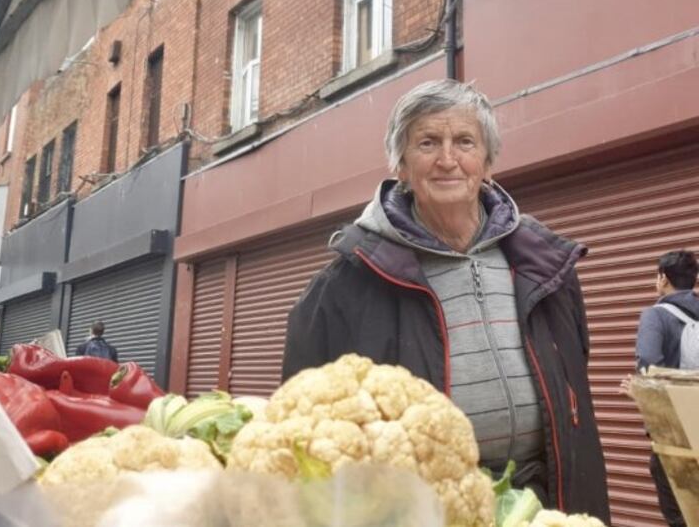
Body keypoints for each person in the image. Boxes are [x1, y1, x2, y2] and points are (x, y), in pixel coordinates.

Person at [282, 79, 610, 521]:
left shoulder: (546, 265)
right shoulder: (345, 283)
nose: (447, 160)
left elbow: (575, 380)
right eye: (428, 142)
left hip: (550, 501)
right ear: (400, 164)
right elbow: (302, 419)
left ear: (488, 163)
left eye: (465, 142)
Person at [629, 250, 698, 527]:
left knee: (680, 514)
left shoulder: (656, 316)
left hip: (675, 434)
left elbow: (648, 363)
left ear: (663, 279)